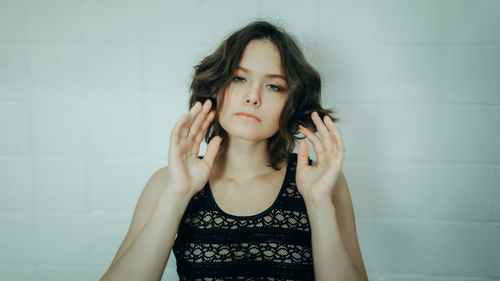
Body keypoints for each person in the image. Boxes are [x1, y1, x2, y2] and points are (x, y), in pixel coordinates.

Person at [100, 20, 368, 281]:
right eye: (239, 78)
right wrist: (177, 195)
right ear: (215, 88)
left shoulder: (322, 183)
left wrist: (318, 204)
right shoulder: (165, 183)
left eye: (274, 86)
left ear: (292, 102)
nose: (253, 97)